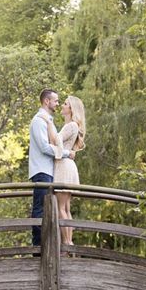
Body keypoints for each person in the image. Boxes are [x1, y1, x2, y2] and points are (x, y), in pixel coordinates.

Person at [28, 89, 75, 248]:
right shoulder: (39, 120)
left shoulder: (47, 120)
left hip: (49, 171)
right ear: (47, 101)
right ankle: (38, 250)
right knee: (40, 210)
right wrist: (67, 153)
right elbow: (44, 147)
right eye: (55, 100)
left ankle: (47, 248)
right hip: (42, 171)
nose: (57, 103)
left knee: (48, 210)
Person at [40, 95, 86, 247]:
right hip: (67, 165)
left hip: (64, 166)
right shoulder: (72, 126)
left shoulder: (70, 126)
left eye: (65, 104)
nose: (62, 106)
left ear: (71, 109)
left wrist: (48, 123)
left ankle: (67, 243)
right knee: (65, 208)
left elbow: (55, 142)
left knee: (61, 207)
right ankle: (68, 242)